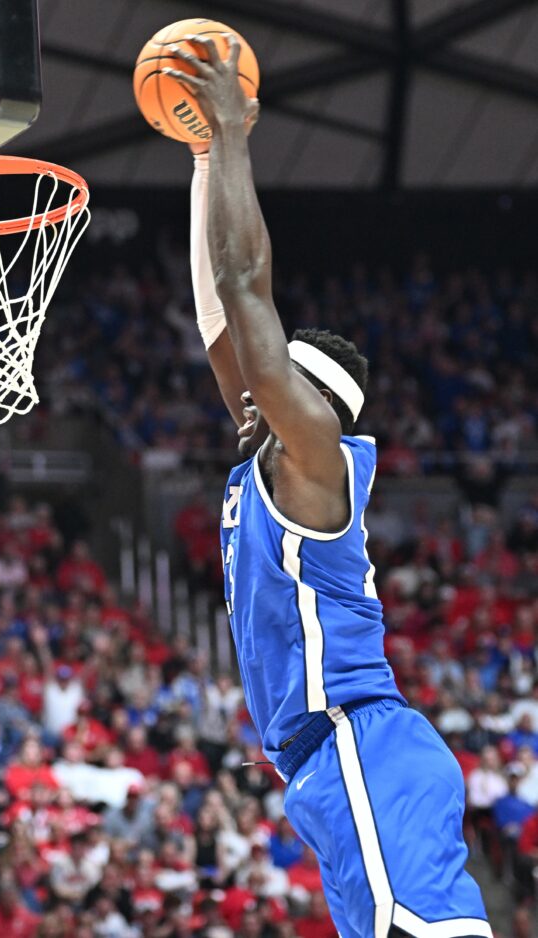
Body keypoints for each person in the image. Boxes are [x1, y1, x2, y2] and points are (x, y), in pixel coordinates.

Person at [165, 35, 492, 938]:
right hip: (326, 767)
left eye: (264, 387)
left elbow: (245, 288)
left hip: (363, 746)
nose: (243, 393)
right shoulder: (267, 457)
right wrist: (202, 160)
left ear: (300, 402)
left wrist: (234, 136)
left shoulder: (316, 459)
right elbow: (217, 315)